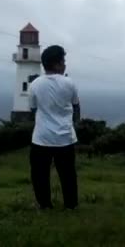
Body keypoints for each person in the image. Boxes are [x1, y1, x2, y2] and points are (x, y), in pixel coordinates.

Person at [29, 45, 81, 210]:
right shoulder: (69, 83)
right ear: (57, 64)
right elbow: (75, 106)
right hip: (65, 137)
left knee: (40, 175)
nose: (65, 64)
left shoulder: (35, 84)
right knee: (68, 175)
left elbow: (33, 109)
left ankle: (45, 205)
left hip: (41, 137)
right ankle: (71, 205)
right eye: (63, 61)